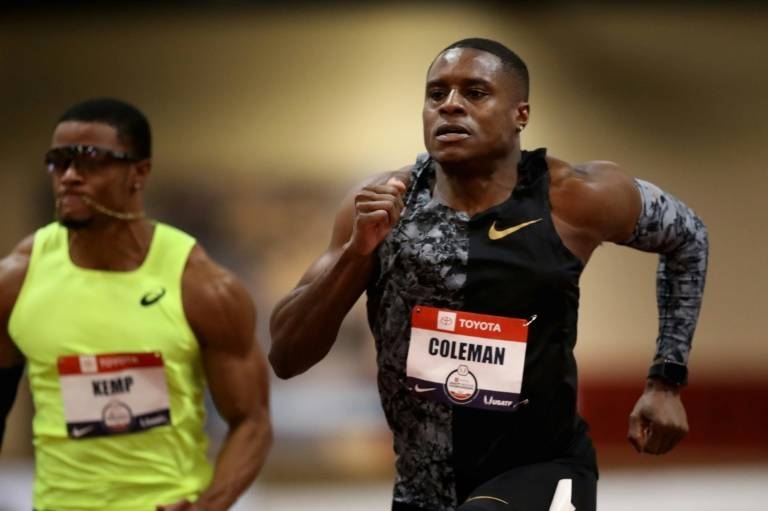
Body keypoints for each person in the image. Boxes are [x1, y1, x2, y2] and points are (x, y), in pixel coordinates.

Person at [268, 38, 708, 511]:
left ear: (521, 114)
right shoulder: (380, 204)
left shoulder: (576, 196)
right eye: (437, 94)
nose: (451, 105)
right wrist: (358, 254)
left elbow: (688, 238)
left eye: (475, 93)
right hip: (422, 488)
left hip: (542, 469)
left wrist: (666, 380)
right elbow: (287, 356)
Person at [0, 98, 272, 511]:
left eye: (91, 159)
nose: (70, 176)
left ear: (139, 172)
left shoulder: (202, 286)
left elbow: (252, 422)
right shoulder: (16, 281)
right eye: (58, 161)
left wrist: (208, 506)